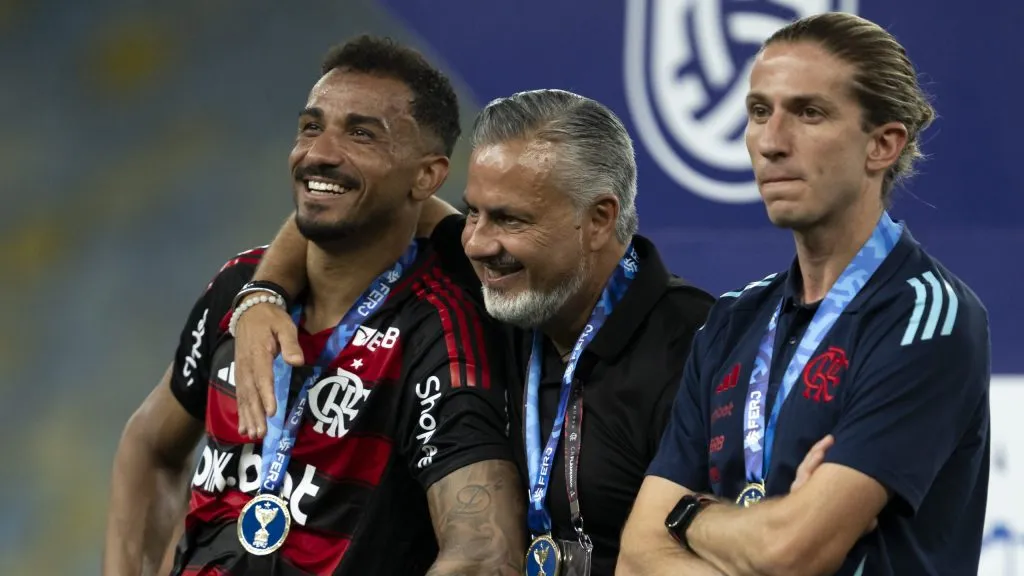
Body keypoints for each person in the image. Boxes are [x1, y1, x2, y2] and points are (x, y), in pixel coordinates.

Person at [229, 89, 715, 575]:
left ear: (598, 219)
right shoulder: (502, 288)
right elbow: (366, 203)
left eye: (509, 219)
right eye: (473, 212)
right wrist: (263, 293)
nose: (478, 243)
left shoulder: (697, 349)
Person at [103, 36, 526, 576]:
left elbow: (484, 555)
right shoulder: (240, 286)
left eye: (361, 133)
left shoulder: (439, 325)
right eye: (311, 126)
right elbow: (148, 444)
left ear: (427, 176)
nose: (320, 152)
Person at [617, 12, 991, 576]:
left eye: (809, 113)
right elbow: (637, 558)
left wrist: (690, 515)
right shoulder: (732, 321)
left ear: (883, 145)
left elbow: (794, 553)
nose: (770, 143)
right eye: (759, 112)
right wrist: (770, 528)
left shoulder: (928, 317)